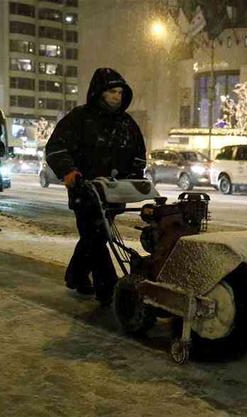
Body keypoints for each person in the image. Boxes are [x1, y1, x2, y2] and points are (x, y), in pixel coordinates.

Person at [45, 68, 146, 306]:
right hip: (85, 191)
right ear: (99, 92)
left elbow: (138, 155)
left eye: (120, 92)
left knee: (94, 237)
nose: (116, 97)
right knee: (96, 237)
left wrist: (134, 176)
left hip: (114, 192)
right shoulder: (79, 119)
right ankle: (108, 290)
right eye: (112, 91)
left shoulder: (127, 125)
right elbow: (56, 148)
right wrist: (70, 172)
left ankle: (76, 275)